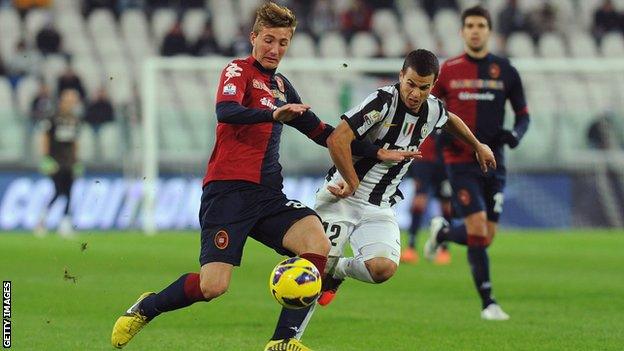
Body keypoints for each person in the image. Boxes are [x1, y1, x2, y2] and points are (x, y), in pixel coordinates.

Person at [110, 3, 415, 350]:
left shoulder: (283, 86)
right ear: (254, 37)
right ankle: (147, 307)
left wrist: (376, 152)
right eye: (269, 40)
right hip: (228, 193)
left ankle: (283, 341)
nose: (275, 49)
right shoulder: (237, 71)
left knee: (317, 241)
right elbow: (226, 111)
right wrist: (272, 115)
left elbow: (324, 134)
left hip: (268, 194)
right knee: (213, 287)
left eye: (283, 43)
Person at [265, 49, 497, 345]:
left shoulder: (433, 109)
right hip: (341, 197)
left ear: (433, 84)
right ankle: (283, 340)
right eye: (410, 84)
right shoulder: (383, 101)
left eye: (423, 87)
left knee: (382, 269)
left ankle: (340, 270)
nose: (415, 93)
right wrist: (351, 180)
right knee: (314, 267)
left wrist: (477, 145)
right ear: (401, 76)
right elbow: (338, 139)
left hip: (380, 204)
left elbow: (450, 119)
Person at [424, 5, 531, 321]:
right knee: (477, 228)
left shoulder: (505, 70)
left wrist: (516, 134)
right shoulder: (449, 71)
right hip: (460, 161)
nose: (475, 30)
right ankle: (489, 304)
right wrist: (438, 142)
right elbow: (430, 110)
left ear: (489, 31)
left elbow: (523, 114)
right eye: (469, 25)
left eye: (481, 25)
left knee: (486, 237)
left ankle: (443, 233)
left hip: (495, 161)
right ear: (462, 31)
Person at [35, 89, 82, 237]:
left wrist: (76, 160)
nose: (72, 103)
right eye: (69, 100)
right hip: (55, 160)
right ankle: (47, 220)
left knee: (68, 191)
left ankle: (62, 223)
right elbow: (45, 137)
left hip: (69, 161)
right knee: (60, 190)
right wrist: (45, 157)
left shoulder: (75, 119)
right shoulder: (53, 118)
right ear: (62, 100)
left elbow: (75, 141)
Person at [400, 132, 452, 265]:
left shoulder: (451, 113)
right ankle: (411, 247)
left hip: (446, 160)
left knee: (446, 204)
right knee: (419, 201)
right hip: (424, 158)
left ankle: (444, 249)